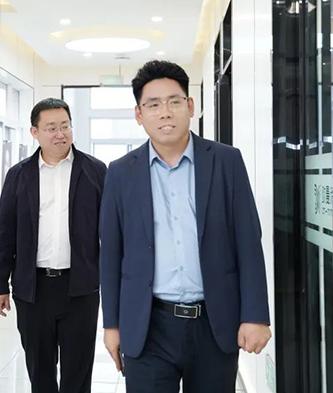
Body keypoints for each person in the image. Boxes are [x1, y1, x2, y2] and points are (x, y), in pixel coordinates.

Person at [99, 60, 271, 392]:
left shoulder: (226, 161)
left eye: (174, 102)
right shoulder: (120, 172)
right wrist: (112, 325)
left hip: (214, 323)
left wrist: (255, 315)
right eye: (153, 105)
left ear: (190, 106)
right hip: (147, 325)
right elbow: (111, 254)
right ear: (139, 115)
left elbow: (248, 241)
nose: (165, 112)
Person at [0, 98, 107, 393]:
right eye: (52, 128)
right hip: (33, 290)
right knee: (40, 371)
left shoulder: (96, 171)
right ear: (35, 132)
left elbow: (110, 233)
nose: (60, 134)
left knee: (78, 374)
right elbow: (5, 233)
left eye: (65, 126)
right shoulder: (19, 175)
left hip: (80, 289)